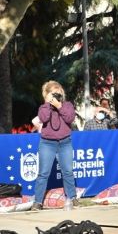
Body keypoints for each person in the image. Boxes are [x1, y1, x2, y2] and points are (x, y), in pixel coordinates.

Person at [31, 81, 79, 211]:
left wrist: (59, 106)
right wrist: (48, 103)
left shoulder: (67, 105)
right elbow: (44, 118)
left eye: (58, 92)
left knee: (68, 172)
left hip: (65, 142)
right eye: (53, 93)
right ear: (47, 95)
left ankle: (72, 198)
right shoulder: (43, 107)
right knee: (43, 173)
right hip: (47, 143)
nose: (56, 95)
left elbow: (69, 118)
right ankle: (37, 202)